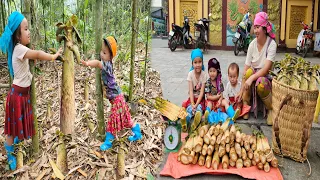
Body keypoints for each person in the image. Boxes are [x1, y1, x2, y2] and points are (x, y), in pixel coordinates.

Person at [0, 11, 62, 170]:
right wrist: (54, 56)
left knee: (15, 124)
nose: (29, 32)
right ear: (18, 36)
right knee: (10, 130)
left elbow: (30, 56)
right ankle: (9, 153)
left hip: (21, 95)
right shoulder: (20, 49)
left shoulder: (21, 49)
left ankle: (14, 145)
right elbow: (39, 54)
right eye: (26, 29)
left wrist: (31, 57)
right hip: (17, 95)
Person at [81, 35, 142, 151]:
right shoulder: (107, 63)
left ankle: (109, 141)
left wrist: (88, 63)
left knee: (112, 120)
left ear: (110, 56)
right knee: (126, 118)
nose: (101, 54)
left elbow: (98, 64)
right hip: (118, 97)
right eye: (101, 51)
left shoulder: (107, 65)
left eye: (104, 53)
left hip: (117, 99)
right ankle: (137, 132)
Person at [237, 12, 277, 124]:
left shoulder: (271, 44)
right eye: (254, 28)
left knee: (261, 83)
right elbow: (246, 69)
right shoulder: (252, 45)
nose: (255, 31)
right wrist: (241, 90)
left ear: (265, 29)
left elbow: (266, 69)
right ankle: (246, 105)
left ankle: (270, 109)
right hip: (253, 74)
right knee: (248, 72)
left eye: (258, 27)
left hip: (265, 77)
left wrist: (251, 78)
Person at [181, 48, 206, 130]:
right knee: (189, 110)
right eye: (195, 62)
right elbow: (191, 91)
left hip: (200, 99)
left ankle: (196, 122)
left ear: (202, 62)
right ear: (192, 63)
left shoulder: (204, 75)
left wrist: (196, 104)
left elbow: (202, 92)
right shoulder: (190, 75)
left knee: (199, 110)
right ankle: (185, 123)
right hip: (192, 99)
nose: (198, 64)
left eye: (199, 62)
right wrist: (192, 103)